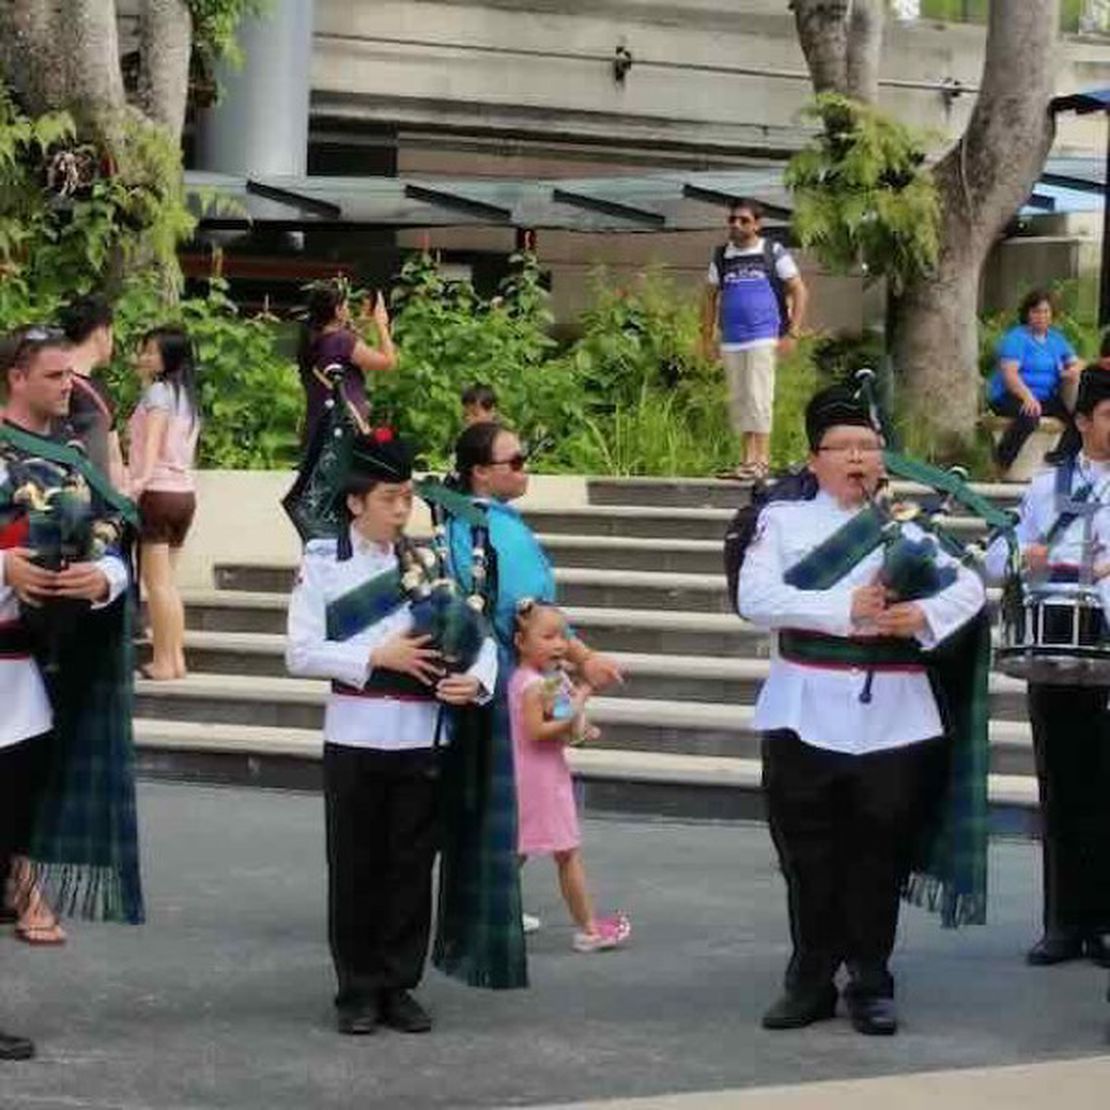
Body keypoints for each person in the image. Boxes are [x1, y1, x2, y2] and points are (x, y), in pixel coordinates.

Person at [738, 384, 987, 1036]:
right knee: (809, 855)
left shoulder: (906, 527)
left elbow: (970, 587)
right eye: (841, 446)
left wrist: (924, 614)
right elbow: (755, 596)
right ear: (814, 458)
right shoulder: (782, 522)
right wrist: (840, 610)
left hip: (895, 718)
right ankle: (810, 978)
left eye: (868, 446)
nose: (856, 457)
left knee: (880, 851)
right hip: (803, 710)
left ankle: (871, 979)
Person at [286, 428, 497, 1035]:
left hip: (421, 733)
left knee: (410, 865)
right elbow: (300, 653)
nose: (402, 509)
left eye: (407, 497)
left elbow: (477, 637)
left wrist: (475, 683)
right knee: (356, 865)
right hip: (356, 734)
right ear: (356, 502)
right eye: (389, 498)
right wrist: (377, 657)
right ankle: (356, 987)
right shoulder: (324, 563)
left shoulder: (431, 561)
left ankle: (398, 983)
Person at [432, 422, 623, 987]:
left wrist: (575, 656)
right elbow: (524, 608)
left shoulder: (493, 524)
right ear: (480, 472)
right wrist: (579, 659)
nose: (523, 468)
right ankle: (479, 907)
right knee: (507, 804)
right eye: (513, 461)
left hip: (513, 675)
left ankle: (489, 899)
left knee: (511, 807)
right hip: (506, 680)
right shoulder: (481, 528)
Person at [1, 326, 143, 1061]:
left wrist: (104, 581)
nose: (69, 387)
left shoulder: (72, 462)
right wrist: (4, 571)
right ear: (16, 377)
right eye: (55, 375)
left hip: (24, 688)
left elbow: (116, 536)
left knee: (6, 848)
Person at [985, 367, 1110, 968]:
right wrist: (1021, 553)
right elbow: (994, 555)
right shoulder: (1048, 484)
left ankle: (1105, 922)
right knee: (1061, 788)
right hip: (1059, 655)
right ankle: (1063, 922)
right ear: (1084, 422)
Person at [510, 598, 628, 952]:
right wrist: (583, 696)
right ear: (521, 642)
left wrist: (580, 727)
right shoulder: (531, 684)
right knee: (566, 851)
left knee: (520, 850)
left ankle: (489, 913)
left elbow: (561, 724)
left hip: (542, 774)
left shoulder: (543, 680)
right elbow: (537, 730)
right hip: (539, 779)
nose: (559, 644)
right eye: (547, 637)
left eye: (561, 636)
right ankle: (589, 929)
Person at [700, 198, 808, 482]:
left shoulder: (773, 251)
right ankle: (747, 460)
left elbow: (799, 290)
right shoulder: (722, 256)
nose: (736, 224)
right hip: (731, 339)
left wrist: (793, 332)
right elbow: (709, 296)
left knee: (759, 396)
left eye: (744, 220)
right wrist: (706, 337)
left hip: (762, 335)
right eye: (733, 219)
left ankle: (762, 460)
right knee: (740, 399)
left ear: (757, 224)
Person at [126, 327, 200, 681]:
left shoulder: (157, 393)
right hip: (184, 494)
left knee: (156, 585)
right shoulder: (187, 395)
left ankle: (163, 661)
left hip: (157, 494)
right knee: (168, 582)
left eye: (152, 352)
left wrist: (137, 483)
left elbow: (152, 444)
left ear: (170, 357)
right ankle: (177, 658)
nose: (145, 357)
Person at [987, 288, 1085, 471]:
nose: (1041, 316)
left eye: (1046, 311)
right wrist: (1027, 397)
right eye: (1036, 311)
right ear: (1027, 314)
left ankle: (1058, 457)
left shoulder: (1056, 339)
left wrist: (1072, 371)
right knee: (1030, 416)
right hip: (1010, 395)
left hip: (1043, 397)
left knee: (1080, 418)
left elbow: (1078, 362)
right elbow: (1010, 375)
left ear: (1052, 314)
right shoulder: (1016, 338)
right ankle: (1001, 462)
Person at [297, 282, 396, 451]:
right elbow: (388, 362)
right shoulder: (342, 340)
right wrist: (382, 324)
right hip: (350, 434)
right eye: (346, 306)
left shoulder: (316, 341)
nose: (349, 311)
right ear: (337, 311)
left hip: (321, 431)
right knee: (392, 438)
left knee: (386, 438)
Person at [58, 294, 125, 488]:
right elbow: (112, 459)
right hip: (89, 505)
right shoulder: (98, 394)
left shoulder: (41, 379)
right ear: (101, 333)